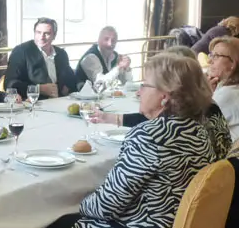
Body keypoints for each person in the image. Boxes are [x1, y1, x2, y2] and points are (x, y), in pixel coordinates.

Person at [44, 54, 217, 228]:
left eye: (145, 85)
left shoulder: (150, 136)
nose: (139, 91)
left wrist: (73, 202)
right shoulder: (199, 130)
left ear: (165, 96)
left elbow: (106, 206)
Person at [92, 45, 233, 159]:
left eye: (146, 85)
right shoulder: (205, 109)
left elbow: (117, 187)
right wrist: (110, 118)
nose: (139, 92)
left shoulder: (156, 135)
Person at [4, 17, 77, 99]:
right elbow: (9, 84)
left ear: (54, 36)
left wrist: (66, 88)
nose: (42, 37)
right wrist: (38, 89)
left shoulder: (61, 54)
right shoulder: (21, 52)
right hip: (33, 103)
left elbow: (71, 80)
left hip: (59, 101)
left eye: (46, 33)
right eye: (38, 32)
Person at [206, 36, 239, 144]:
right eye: (211, 55)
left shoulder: (228, 94)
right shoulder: (227, 88)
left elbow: (197, 127)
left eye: (216, 56)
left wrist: (204, 96)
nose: (209, 61)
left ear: (233, 64)